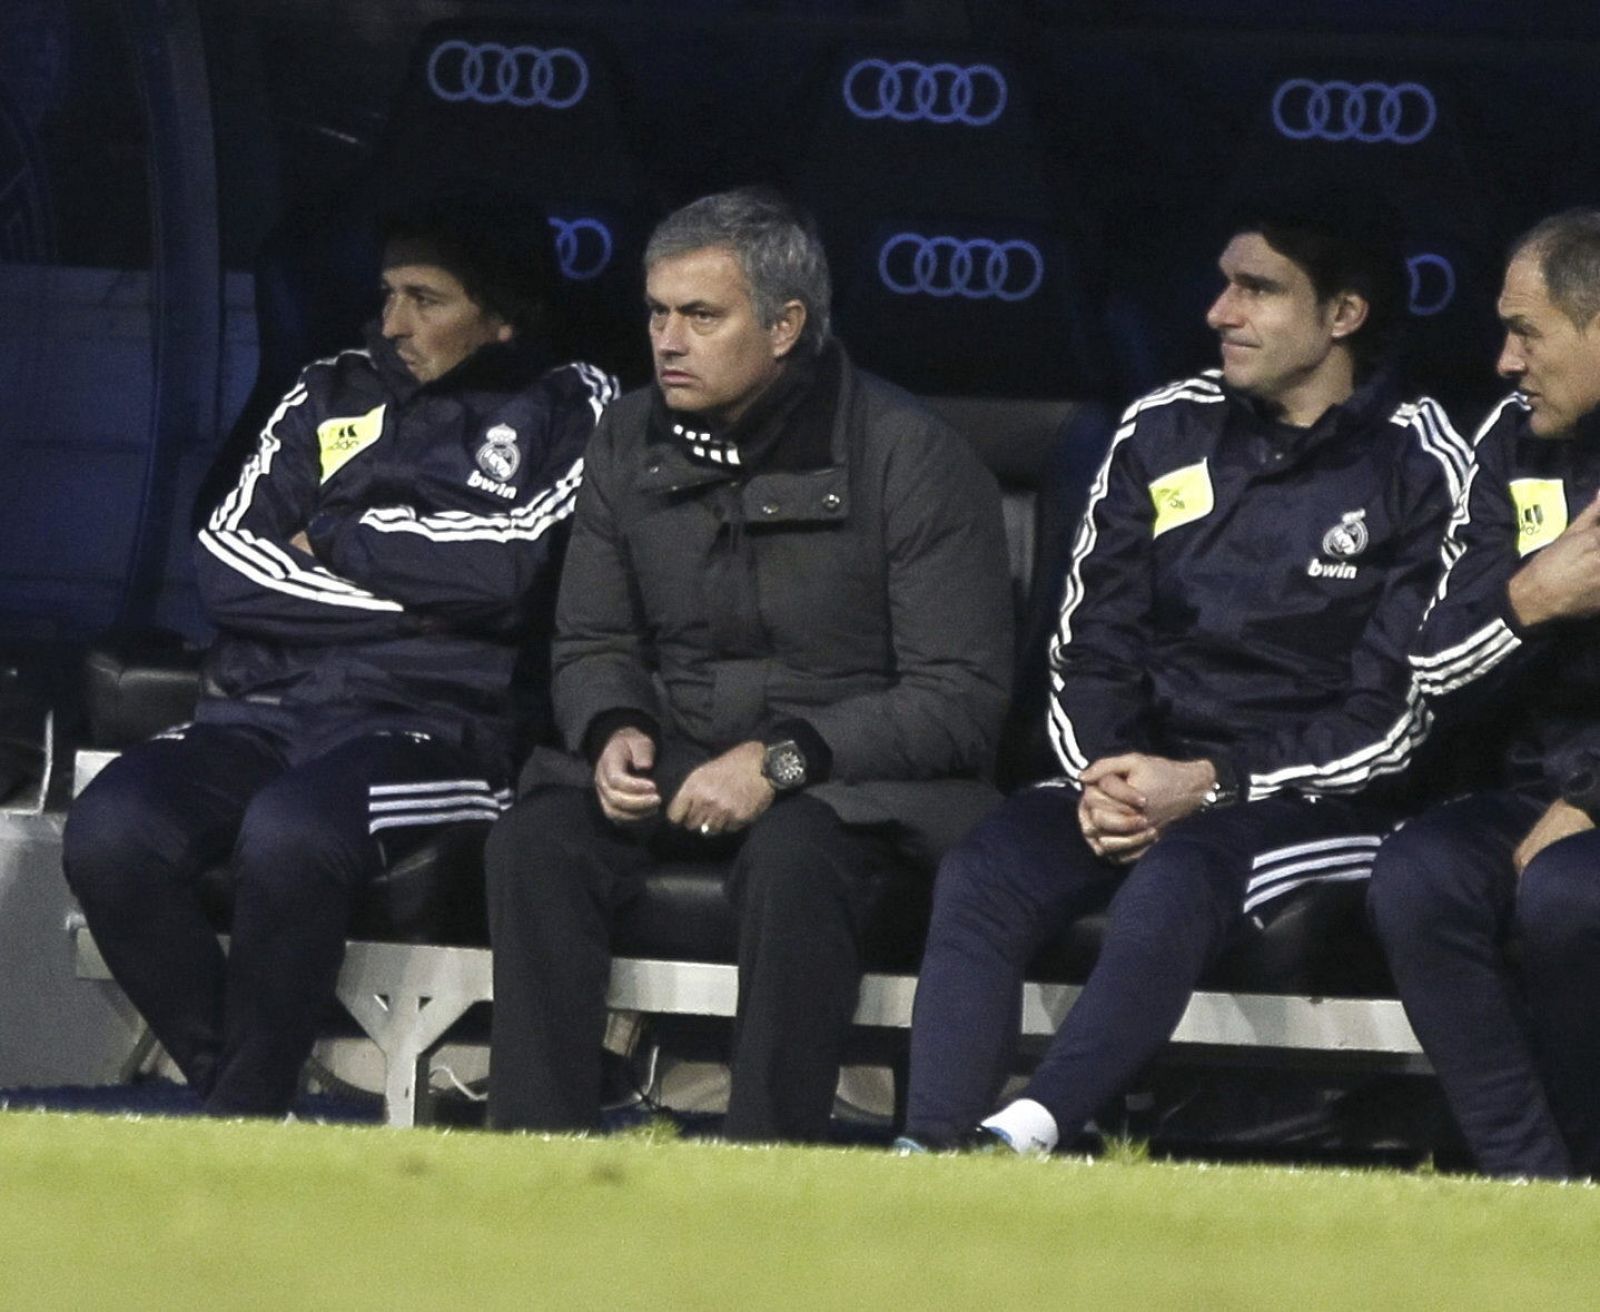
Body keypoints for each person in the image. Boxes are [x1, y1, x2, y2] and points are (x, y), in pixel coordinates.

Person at [898, 195, 1467, 1155]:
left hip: (1311, 801)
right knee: (986, 869)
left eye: (1257, 289)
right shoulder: (1162, 428)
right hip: (1137, 775)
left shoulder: (1424, 462)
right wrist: (1108, 775)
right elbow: (1090, 642)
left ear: (1343, 316)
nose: (1220, 312)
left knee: (1183, 870)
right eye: (1222, 284)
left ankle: (1027, 1135)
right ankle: (928, 1147)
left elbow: (1395, 716)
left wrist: (1207, 786)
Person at [62, 191, 617, 1116]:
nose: (393, 322)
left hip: (435, 727)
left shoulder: (572, 400)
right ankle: (246, 1098)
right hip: (263, 711)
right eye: (388, 293)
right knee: (109, 830)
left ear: (502, 314)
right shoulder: (325, 387)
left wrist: (340, 533)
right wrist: (415, 608)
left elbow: (514, 570)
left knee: (292, 830)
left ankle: (242, 1115)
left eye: (426, 299)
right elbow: (229, 566)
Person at [484, 188, 1013, 1143]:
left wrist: (778, 762)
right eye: (656, 313)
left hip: (857, 794)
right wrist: (614, 729)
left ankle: (764, 1158)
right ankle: (536, 1155)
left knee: (795, 855)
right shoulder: (624, 439)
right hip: (683, 761)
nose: (667, 340)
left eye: (700, 315)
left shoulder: (912, 458)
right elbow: (593, 642)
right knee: (537, 841)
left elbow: (958, 699)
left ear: (784, 327)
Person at [1369, 209, 1600, 1180]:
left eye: (1526, 332)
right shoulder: (1514, 442)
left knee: (1566, 895)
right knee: (1417, 875)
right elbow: (1434, 662)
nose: (1504, 361)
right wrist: (1530, 599)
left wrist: (1590, 797)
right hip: (1536, 785)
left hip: (1580, 800)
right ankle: (1530, 1184)